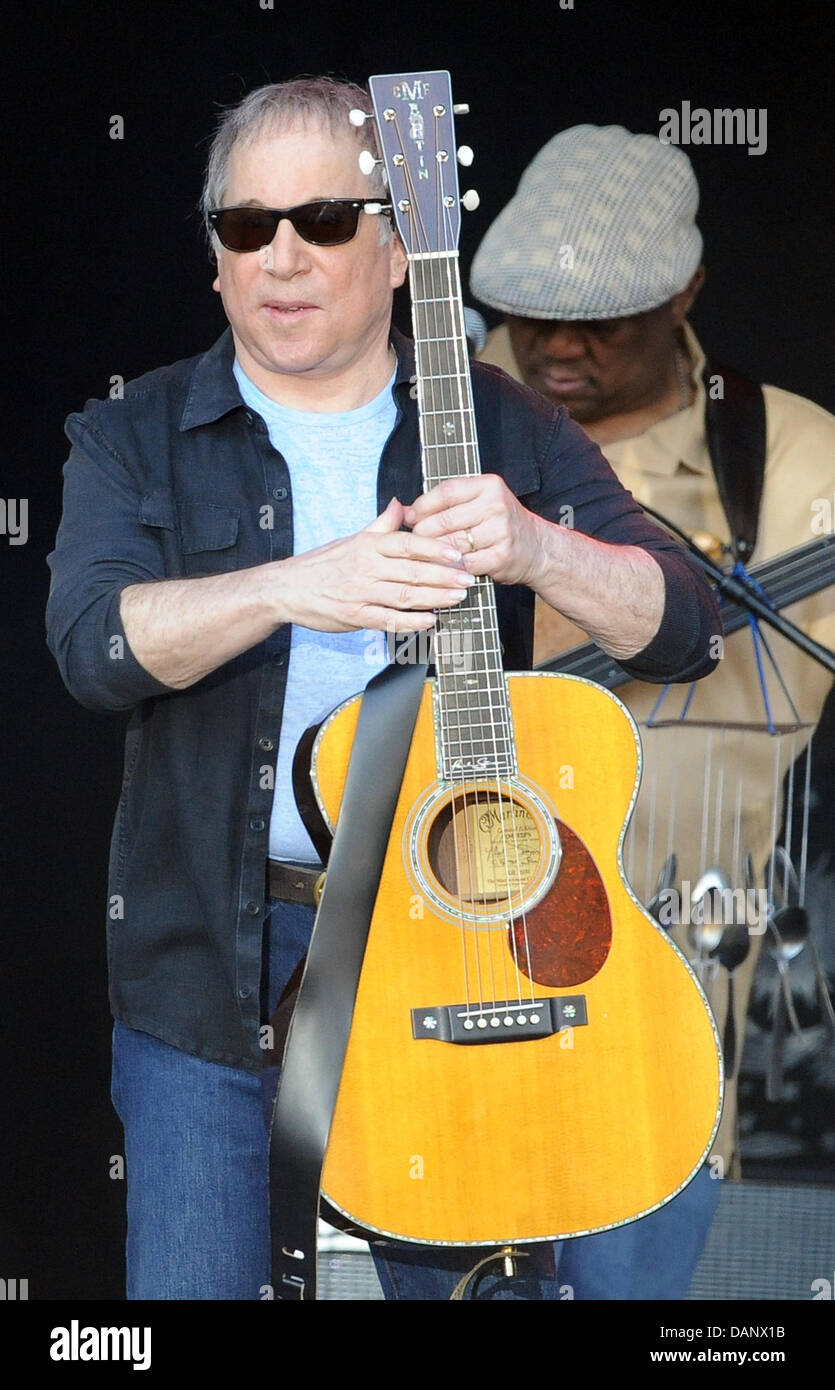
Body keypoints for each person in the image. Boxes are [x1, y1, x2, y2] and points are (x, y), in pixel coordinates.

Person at [46, 81, 722, 1301]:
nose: (282, 257)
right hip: (215, 957)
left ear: (402, 244)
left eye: (321, 219)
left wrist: (538, 547)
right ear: (214, 263)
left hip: (459, 945)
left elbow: (683, 625)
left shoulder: (503, 422)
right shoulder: (133, 436)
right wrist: (295, 586)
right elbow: (95, 645)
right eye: (246, 229)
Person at [471, 122, 835, 1296]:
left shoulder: (793, 460)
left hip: (713, 994)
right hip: (471, 973)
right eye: (531, 316)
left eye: (604, 319)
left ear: (686, 290)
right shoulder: (426, 431)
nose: (559, 347)